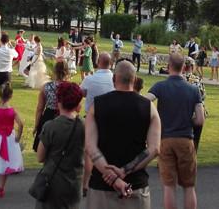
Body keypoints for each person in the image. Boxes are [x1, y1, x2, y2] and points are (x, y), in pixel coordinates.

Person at [85, 61, 161, 208]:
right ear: (135, 79)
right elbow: (154, 149)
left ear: (114, 79)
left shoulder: (97, 105)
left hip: (101, 187)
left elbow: (90, 147)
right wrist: (123, 171)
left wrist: (113, 178)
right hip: (135, 185)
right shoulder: (148, 107)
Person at [147, 54, 205, 209]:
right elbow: (200, 119)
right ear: (185, 68)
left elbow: (145, 101)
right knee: (189, 186)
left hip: (165, 139)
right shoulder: (193, 90)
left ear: (168, 67)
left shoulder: (159, 86)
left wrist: (156, 118)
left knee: (169, 186)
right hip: (185, 139)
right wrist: (187, 120)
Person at [35, 81, 86, 209]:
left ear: (59, 102)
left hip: (52, 182)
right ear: (78, 104)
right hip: (74, 183)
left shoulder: (50, 127)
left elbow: (40, 157)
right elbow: (89, 158)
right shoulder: (84, 126)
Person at [80, 52, 115, 194]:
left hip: (91, 117)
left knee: (89, 152)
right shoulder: (114, 79)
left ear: (98, 62)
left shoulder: (90, 79)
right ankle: (108, 179)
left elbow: (81, 93)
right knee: (107, 150)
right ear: (111, 63)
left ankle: (86, 184)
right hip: (110, 118)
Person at [33, 61, 71, 151]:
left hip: (48, 116)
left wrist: (37, 125)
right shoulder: (70, 87)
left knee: (45, 147)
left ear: (55, 72)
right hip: (65, 116)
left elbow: (40, 108)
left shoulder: (46, 87)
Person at [182, 58, 207, 151]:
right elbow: (203, 96)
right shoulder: (197, 80)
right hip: (196, 114)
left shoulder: (179, 79)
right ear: (192, 67)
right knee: (195, 141)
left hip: (181, 114)